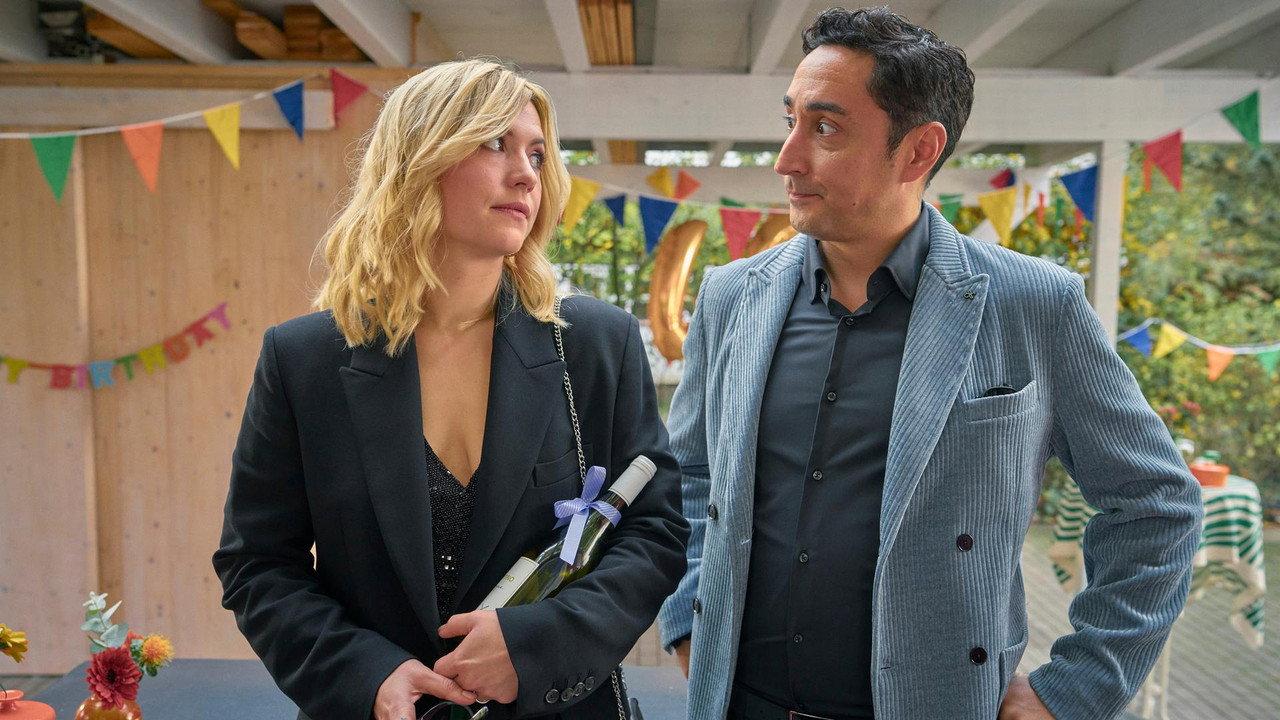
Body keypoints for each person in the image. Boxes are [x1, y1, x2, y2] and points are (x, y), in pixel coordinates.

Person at [657, 7, 1202, 720]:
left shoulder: (1034, 303)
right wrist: (688, 618)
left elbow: (1157, 504)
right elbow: (689, 475)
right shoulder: (732, 296)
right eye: (790, 121)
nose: (787, 159)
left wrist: (1072, 689)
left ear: (918, 151)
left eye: (825, 129)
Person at [213, 59, 688, 720]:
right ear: (418, 161)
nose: (527, 174)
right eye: (495, 143)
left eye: (537, 153)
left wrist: (536, 646)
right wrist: (366, 675)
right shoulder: (304, 360)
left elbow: (655, 531)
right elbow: (259, 563)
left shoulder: (593, 344)